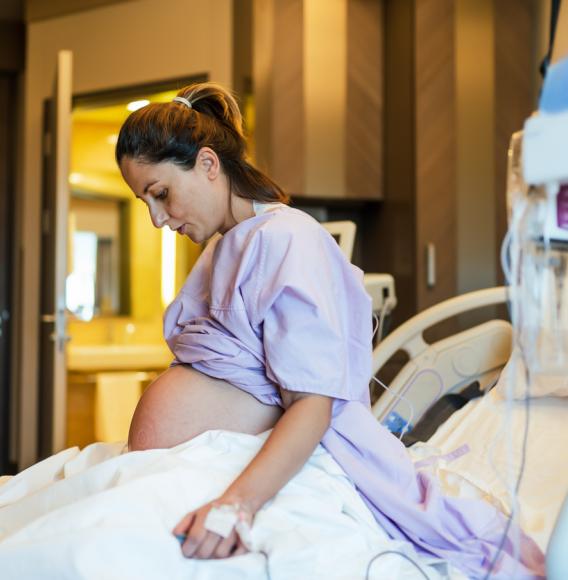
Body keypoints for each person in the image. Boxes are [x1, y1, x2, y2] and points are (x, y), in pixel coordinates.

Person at [115, 82, 545, 577]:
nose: (155, 218)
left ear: (209, 164)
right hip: (193, 463)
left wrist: (235, 506)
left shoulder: (286, 239)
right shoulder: (224, 247)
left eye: (161, 194)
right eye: (145, 201)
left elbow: (312, 404)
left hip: (252, 471)